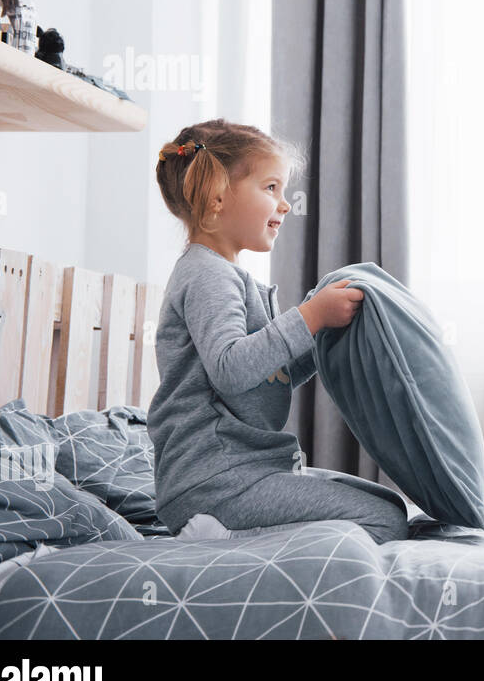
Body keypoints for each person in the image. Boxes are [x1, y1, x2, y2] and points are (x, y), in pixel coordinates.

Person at [148, 118, 408, 544]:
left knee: (389, 507)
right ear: (217, 197)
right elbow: (231, 369)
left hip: (242, 472)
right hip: (216, 481)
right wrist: (308, 318)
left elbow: (266, 376)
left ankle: (235, 529)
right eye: (271, 188)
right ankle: (221, 536)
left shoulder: (227, 276)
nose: (286, 204)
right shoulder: (207, 275)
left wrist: (323, 338)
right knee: (384, 521)